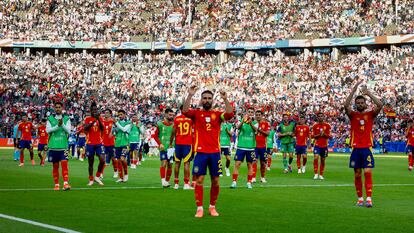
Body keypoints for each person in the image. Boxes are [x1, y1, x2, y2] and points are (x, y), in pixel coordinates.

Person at [183, 87, 233, 218]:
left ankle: (212, 207)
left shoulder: (218, 114)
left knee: (215, 181)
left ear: (212, 100)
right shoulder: (196, 114)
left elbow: (229, 114)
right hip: (200, 153)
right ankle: (199, 208)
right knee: (199, 180)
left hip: (215, 153)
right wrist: (189, 95)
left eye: (209, 98)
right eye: (204, 98)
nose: (206, 100)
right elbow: (185, 111)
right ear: (201, 100)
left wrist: (225, 99)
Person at [344, 80, 383, 207]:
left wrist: (368, 93)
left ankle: (369, 199)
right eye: (358, 103)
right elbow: (345, 105)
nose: (360, 104)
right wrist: (354, 90)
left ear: (365, 104)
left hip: (366, 148)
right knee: (357, 173)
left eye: (362, 102)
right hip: (355, 149)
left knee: (367, 172)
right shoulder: (353, 115)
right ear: (356, 105)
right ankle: (360, 198)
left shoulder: (370, 114)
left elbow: (380, 105)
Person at [46, 102, 71, 191]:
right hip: (53, 146)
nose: (58, 109)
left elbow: (69, 131)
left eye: (59, 107)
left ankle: (65, 184)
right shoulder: (50, 119)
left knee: (64, 165)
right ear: (54, 108)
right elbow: (48, 131)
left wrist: (62, 125)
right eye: (56, 107)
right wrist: (58, 126)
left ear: (62, 108)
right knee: (55, 166)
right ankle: (56, 184)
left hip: (63, 146)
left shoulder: (67, 118)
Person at [231, 107, 257, 189]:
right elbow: (238, 128)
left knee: (250, 165)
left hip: (251, 148)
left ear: (253, 114)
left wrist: (251, 123)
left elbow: (256, 131)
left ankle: (249, 183)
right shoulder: (242, 121)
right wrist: (243, 121)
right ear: (247, 112)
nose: (250, 113)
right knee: (237, 164)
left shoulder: (255, 122)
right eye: (249, 112)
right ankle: (234, 182)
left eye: (251, 112)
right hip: (241, 147)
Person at [170, 105, 194, 190]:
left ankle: (176, 184)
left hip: (178, 143)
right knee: (186, 163)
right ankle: (186, 184)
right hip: (187, 143)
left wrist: (170, 142)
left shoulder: (176, 118)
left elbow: (173, 131)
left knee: (177, 163)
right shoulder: (191, 119)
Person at [83, 102, 105, 186]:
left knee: (102, 160)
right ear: (90, 110)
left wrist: (98, 119)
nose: (95, 111)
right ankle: (91, 179)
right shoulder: (87, 118)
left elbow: (102, 128)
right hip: (90, 143)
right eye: (93, 110)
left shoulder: (100, 118)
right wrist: (94, 121)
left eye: (96, 109)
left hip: (99, 142)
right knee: (90, 162)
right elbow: (85, 128)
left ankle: (97, 176)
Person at [155, 108, 175, 187]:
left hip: (171, 148)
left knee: (170, 165)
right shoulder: (159, 124)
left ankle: (167, 181)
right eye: (170, 115)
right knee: (163, 163)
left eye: (172, 115)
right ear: (165, 114)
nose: (171, 116)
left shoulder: (174, 125)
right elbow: (155, 136)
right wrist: (160, 144)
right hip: (163, 147)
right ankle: (163, 181)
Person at [311, 112, 331, 180]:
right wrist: (319, 135)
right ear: (317, 117)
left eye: (321, 116)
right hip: (317, 145)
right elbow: (312, 136)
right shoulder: (315, 126)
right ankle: (316, 174)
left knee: (323, 160)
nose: (320, 117)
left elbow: (329, 136)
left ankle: (321, 174)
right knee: (316, 157)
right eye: (319, 116)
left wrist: (324, 134)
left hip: (324, 146)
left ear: (323, 117)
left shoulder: (327, 125)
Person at [113, 109, 131, 183]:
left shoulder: (128, 123)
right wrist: (114, 129)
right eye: (119, 115)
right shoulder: (117, 123)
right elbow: (114, 133)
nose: (120, 116)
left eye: (121, 114)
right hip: (117, 144)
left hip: (125, 144)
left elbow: (124, 129)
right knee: (119, 161)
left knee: (123, 159)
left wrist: (116, 123)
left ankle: (126, 174)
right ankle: (121, 177)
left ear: (124, 115)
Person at [253, 110, 270, 183]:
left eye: (259, 115)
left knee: (263, 163)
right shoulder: (253, 123)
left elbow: (267, 133)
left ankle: (262, 177)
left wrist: (259, 130)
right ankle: (253, 177)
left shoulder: (266, 123)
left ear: (262, 115)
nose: (258, 116)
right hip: (254, 146)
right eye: (256, 115)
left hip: (263, 146)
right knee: (254, 161)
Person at [102, 109, 117, 178]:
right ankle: (101, 173)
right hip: (103, 142)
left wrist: (113, 134)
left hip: (111, 143)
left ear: (110, 114)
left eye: (107, 113)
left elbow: (117, 129)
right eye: (105, 113)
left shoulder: (113, 121)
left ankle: (115, 171)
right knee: (102, 159)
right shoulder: (102, 121)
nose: (106, 114)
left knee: (113, 158)